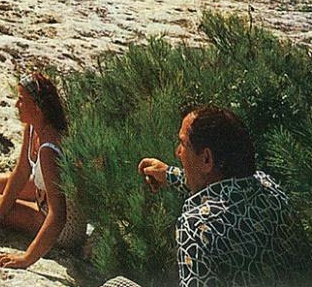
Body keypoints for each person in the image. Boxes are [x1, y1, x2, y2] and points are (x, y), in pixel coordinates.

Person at [102, 106, 310, 287]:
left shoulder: (197, 229)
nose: (177, 152)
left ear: (207, 159)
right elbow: (225, 191)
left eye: (183, 144)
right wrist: (170, 175)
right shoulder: (269, 187)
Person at [0, 73, 86, 269]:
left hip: (66, 227)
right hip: (43, 196)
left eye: (21, 100)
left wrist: (26, 259)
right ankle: (15, 207)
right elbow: (21, 172)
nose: (16, 105)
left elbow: (58, 215)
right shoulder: (34, 127)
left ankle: (26, 213)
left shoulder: (49, 150)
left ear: (37, 107)